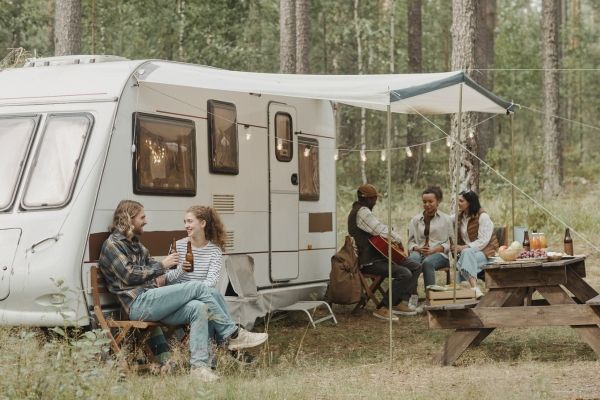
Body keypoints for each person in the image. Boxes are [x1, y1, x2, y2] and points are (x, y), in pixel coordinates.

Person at [98, 200, 268, 382]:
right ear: (128, 219)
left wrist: (167, 270)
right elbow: (130, 275)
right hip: (139, 304)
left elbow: (157, 274)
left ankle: (199, 368)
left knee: (199, 308)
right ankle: (232, 334)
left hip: (156, 302)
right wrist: (163, 265)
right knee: (197, 287)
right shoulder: (113, 245)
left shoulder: (137, 245)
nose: (146, 221)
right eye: (142, 217)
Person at [347, 184, 422, 321]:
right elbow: (380, 229)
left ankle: (398, 302)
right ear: (369, 199)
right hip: (368, 261)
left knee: (416, 266)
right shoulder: (362, 212)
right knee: (404, 273)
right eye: (375, 198)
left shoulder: (361, 210)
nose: (376, 201)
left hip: (378, 257)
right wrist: (398, 239)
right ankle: (384, 307)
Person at [452, 190, 499, 298]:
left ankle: (467, 291)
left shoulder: (483, 217)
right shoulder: (460, 216)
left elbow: (483, 241)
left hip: (487, 252)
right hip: (469, 254)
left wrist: (464, 247)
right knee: (466, 255)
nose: (458, 203)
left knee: (465, 254)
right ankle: (474, 289)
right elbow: (445, 220)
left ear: (469, 202)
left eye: (461, 201)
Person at [407, 186, 453, 290]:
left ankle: (430, 295)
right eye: (424, 202)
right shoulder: (415, 220)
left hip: (439, 255)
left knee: (428, 263)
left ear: (438, 201)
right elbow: (410, 243)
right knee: (412, 261)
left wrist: (435, 249)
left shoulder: (446, 219)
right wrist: (417, 248)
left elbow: (451, 244)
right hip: (419, 252)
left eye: (430, 201)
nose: (427, 205)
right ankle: (411, 296)